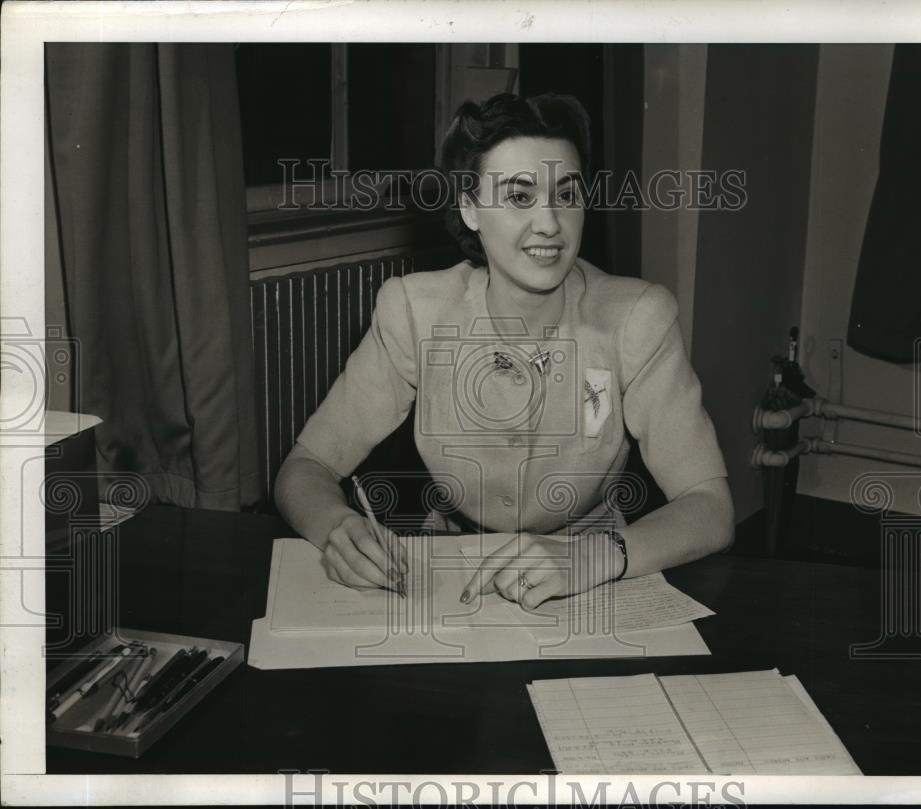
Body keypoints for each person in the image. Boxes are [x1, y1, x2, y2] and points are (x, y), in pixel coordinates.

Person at [274, 92, 733, 611]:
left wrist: (595, 558)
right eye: (519, 197)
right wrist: (338, 527)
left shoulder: (637, 318)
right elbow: (304, 468)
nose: (550, 224)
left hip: (589, 572)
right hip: (449, 576)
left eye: (567, 193)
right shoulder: (414, 311)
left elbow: (710, 506)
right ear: (470, 208)